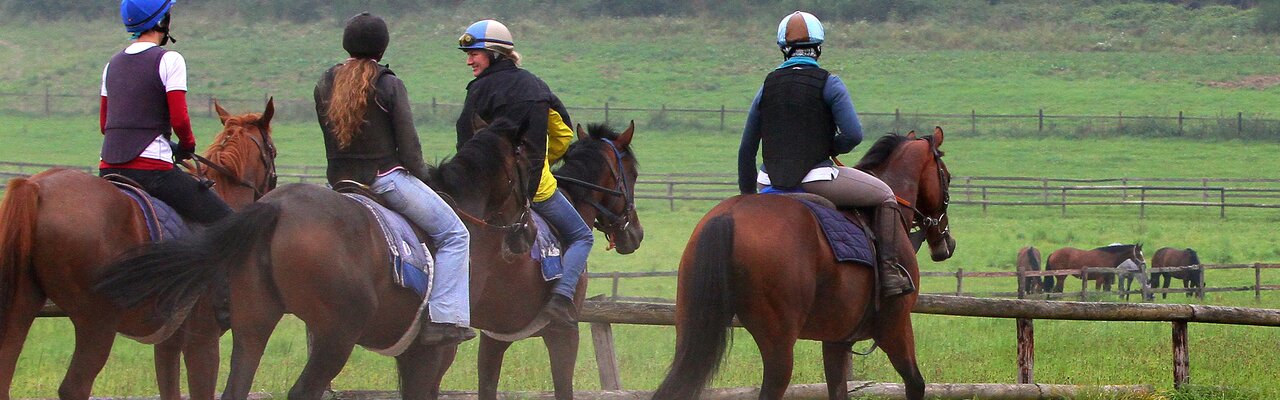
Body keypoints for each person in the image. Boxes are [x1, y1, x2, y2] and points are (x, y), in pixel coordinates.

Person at [315, 12, 473, 344]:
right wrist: (425, 181)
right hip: (385, 180)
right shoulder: (389, 84)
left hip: (338, 183)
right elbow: (410, 147)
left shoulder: (325, 83)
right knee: (455, 234)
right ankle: (444, 319)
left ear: (346, 44)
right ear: (382, 47)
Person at [737, 11, 914, 297]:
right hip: (816, 179)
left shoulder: (766, 86)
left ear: (784, 49)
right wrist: (828, 147)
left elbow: (746, 149)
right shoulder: (830, 83)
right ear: (818, 47)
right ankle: (890, 271)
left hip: (768, 182)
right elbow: (853, 135)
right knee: (885, 196)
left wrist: (748, 198)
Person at [455, 19, 591, 329]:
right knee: (581, 236)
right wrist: (545, 164)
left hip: (487, 191)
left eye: (474, 53)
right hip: (535, 188)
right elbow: (562, 133)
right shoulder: (536, 87)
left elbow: (466, 141)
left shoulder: (477, 91)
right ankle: (561, 298)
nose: (469, 60)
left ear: (494, 53)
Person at [100, 0, 231, 224]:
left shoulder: (111, 65)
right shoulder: (170, 59)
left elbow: (105, 124)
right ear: (162, 22)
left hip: (108, 170)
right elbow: (179, 119)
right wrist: (187, 145)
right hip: (152, 170)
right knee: (226, 222)